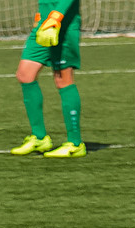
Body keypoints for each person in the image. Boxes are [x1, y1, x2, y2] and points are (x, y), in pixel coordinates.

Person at [11, 0, 85, 158]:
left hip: (63, 25)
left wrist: (56, 17)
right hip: (44, 24)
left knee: (63, 80)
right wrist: (41, 15)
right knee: (25, 75)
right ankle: (39, 138)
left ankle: (75, 144)